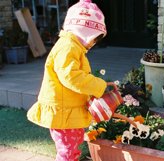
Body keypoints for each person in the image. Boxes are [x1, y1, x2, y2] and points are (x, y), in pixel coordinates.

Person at [27, 0, 112, 160]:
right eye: (95, 38)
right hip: (63, 111)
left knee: (71, 147)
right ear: (86, 32)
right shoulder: (68, 47)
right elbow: (71, 77)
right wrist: (98, 85)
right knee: (67, 150)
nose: (94, 43)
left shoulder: (71, 46)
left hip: (67, 109)